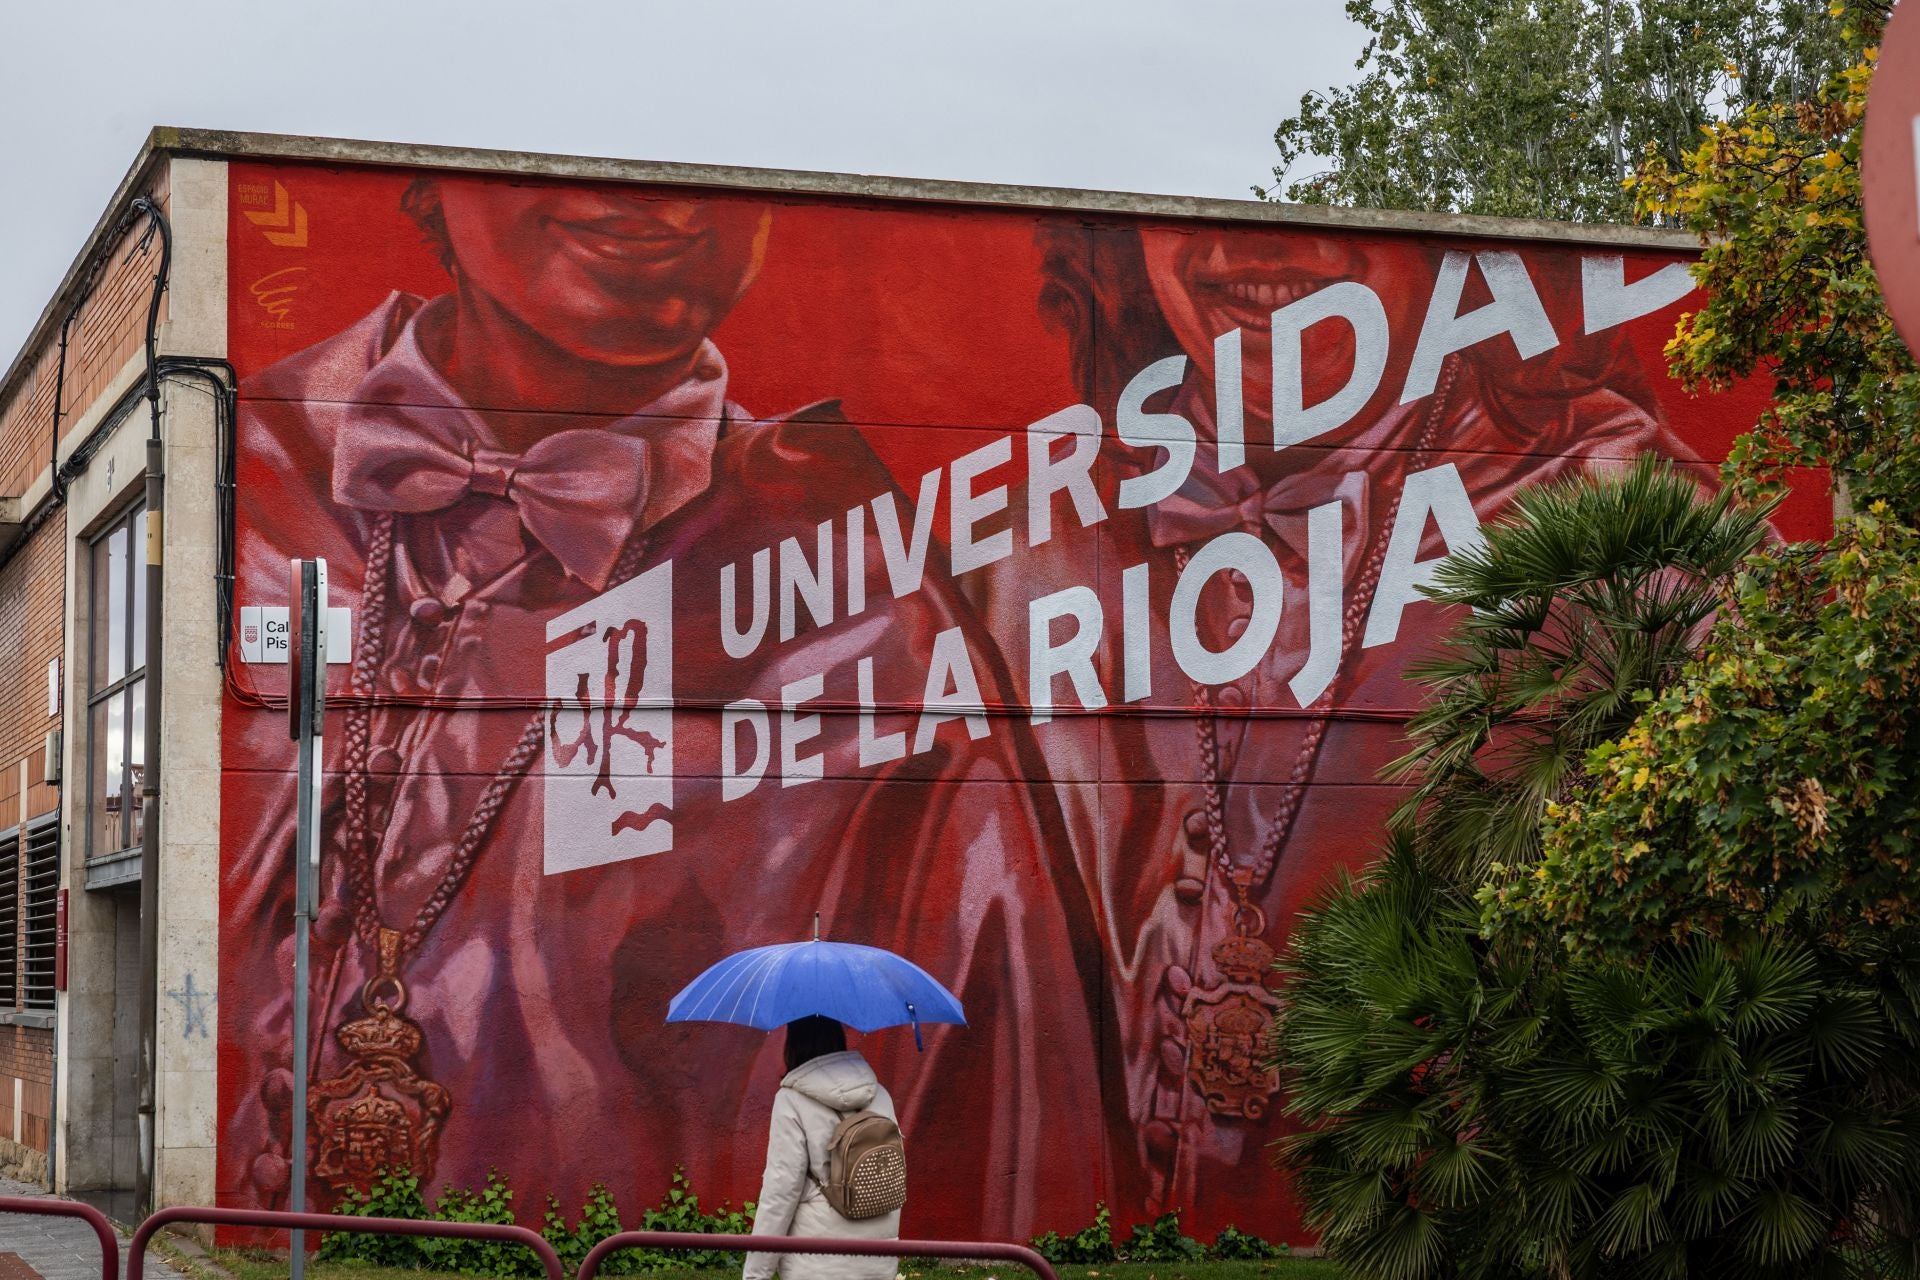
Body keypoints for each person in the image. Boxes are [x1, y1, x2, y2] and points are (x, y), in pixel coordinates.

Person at [218, 173, 1106, 1240]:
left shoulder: (874, 619)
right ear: (430, 187)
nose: (661, 211)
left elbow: (1004, 1134)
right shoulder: (247, 469)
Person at [744, 1017, 901, 1280]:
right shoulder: (880, 1095)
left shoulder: (790, 1101)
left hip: (817, 1262)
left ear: (792, 1045)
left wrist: (755, 1274)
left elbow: (781, 1193)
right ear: (838, 1039)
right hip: (879, 1258)